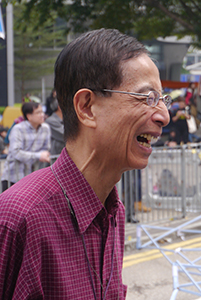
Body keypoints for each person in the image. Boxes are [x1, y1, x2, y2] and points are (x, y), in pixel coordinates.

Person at [0, 28, 170, 299]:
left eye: (163, 100)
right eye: (147, 98)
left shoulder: (115, 213)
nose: (164, 115)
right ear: (87, 107)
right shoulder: (18, 218)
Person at [1, 101, 51, 192]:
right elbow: (16, 152)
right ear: (29, 116)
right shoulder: (18, 129)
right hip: (13, 177)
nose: (42, 115)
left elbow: (45, 150)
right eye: (38, 113)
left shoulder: (45, 128)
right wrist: (38, 156)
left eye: (42, 112)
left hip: (33, 178)